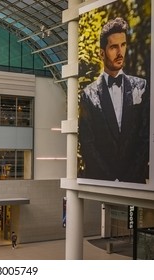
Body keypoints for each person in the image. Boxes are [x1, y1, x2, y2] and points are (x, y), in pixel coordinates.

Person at [78, 17, 150, 184]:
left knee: (133, 211)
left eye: (123, 45)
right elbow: (88, 144)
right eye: (114, 47)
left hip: (135, 180)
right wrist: (111, 180)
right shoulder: (88, 94)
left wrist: (128, 178)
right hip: (103, 180)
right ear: (102, 53)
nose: (120, 53)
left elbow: (145, 137)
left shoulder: (141, 86)